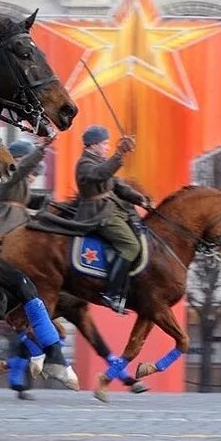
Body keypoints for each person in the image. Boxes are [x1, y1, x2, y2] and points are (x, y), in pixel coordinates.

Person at [75, 125, 152, 313]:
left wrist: (140, 199)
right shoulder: (85, 164)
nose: (107, 147)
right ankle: (111, 293)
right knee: (131, 246)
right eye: (104, 144)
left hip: (111, 210)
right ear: (93, 145)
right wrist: (119, 153)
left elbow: (118, 186)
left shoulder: (100, 161)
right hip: (97, 213)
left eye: (108, 144)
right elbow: (100, 174)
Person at [0, 135, 53, 250]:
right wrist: (41, 149)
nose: (32, 175)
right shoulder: (8, 172)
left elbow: (22, 196)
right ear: (17, 159)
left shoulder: (19, 178)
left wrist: (44, 200)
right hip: (8, 218)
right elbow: (23, 167)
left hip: (20, 216)